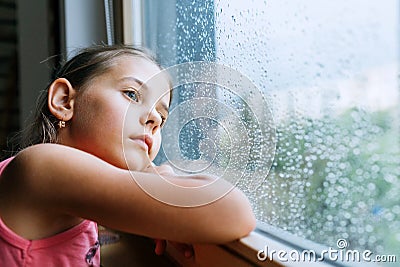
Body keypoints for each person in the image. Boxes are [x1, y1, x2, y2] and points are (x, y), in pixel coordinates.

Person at [0, 45, 256, 266]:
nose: (154, 119)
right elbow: (234, 212)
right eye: (132, 94)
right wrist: (162, 179)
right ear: (65, 101)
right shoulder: (43, 167)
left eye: (162, 117)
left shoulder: (77, 201)